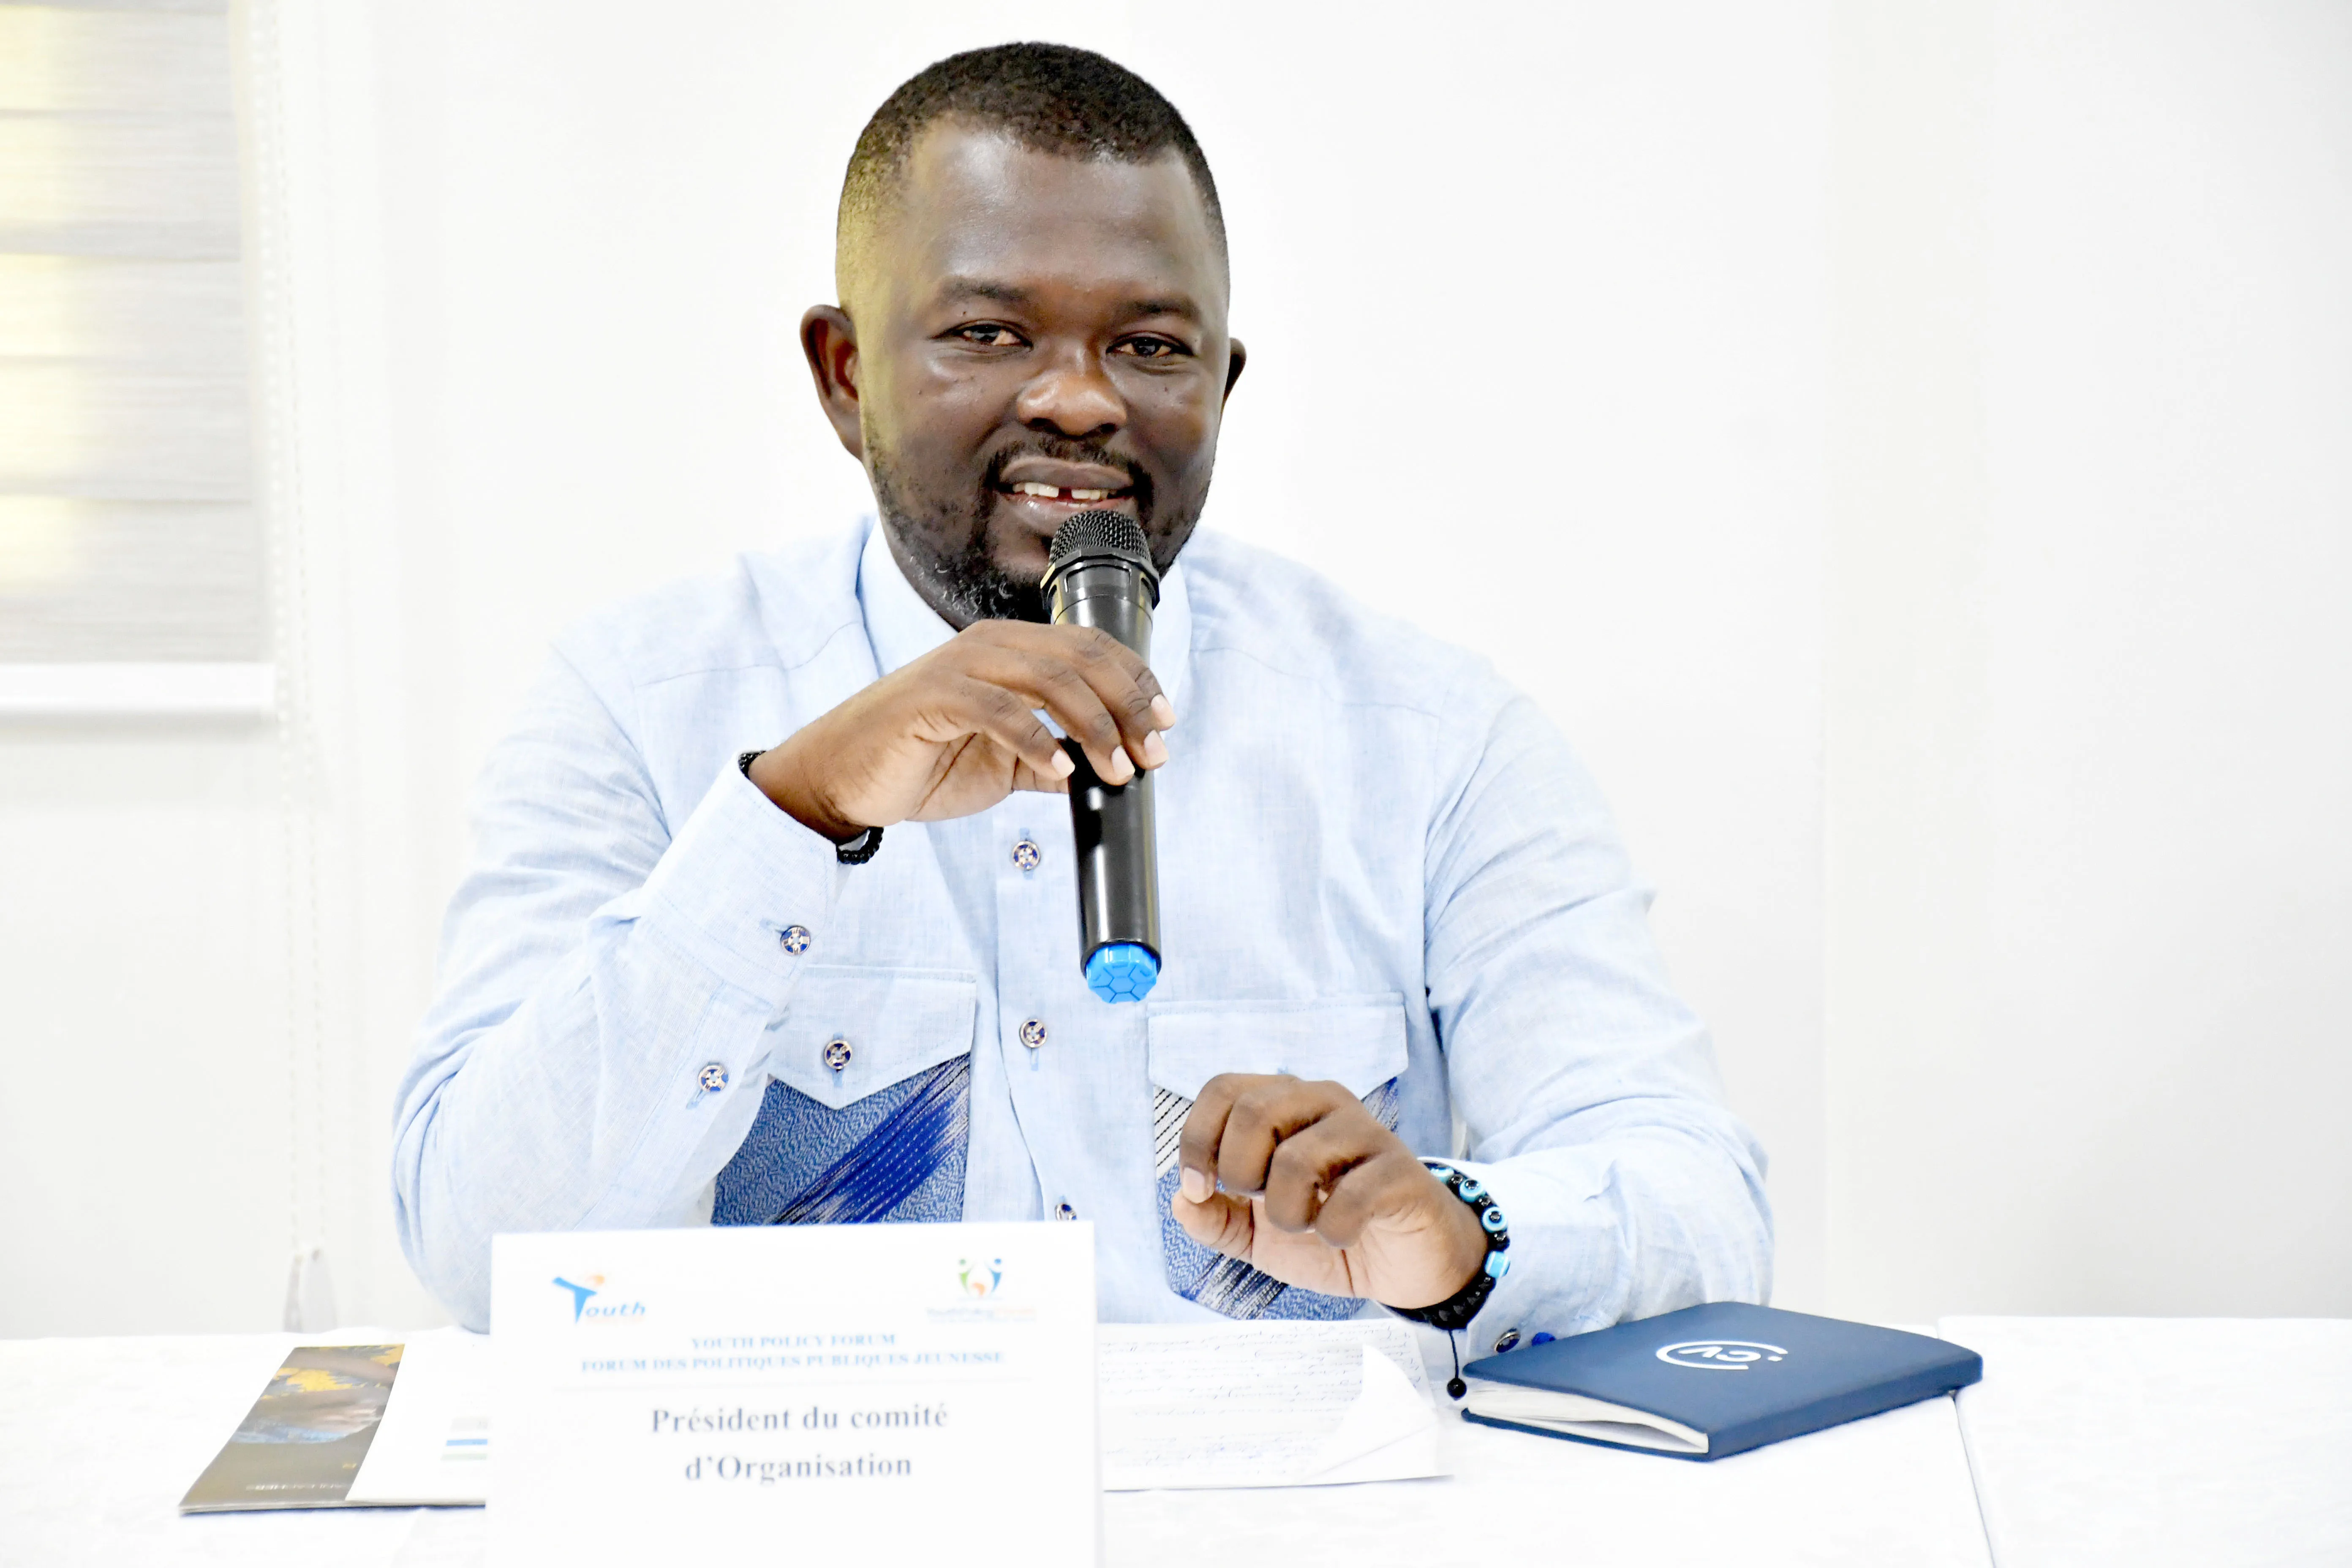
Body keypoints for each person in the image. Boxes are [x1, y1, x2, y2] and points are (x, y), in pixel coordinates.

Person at [392, 42, 1771, 1348]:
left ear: (1222, 385)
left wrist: (1461, 1236)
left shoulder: (1429, 738)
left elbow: (1700, 1208)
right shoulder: (639, 706)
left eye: (1153, 347)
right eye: (989, 332)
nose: (1078, 402)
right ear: (847, 374)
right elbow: (480, 1254)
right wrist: (792, 818)